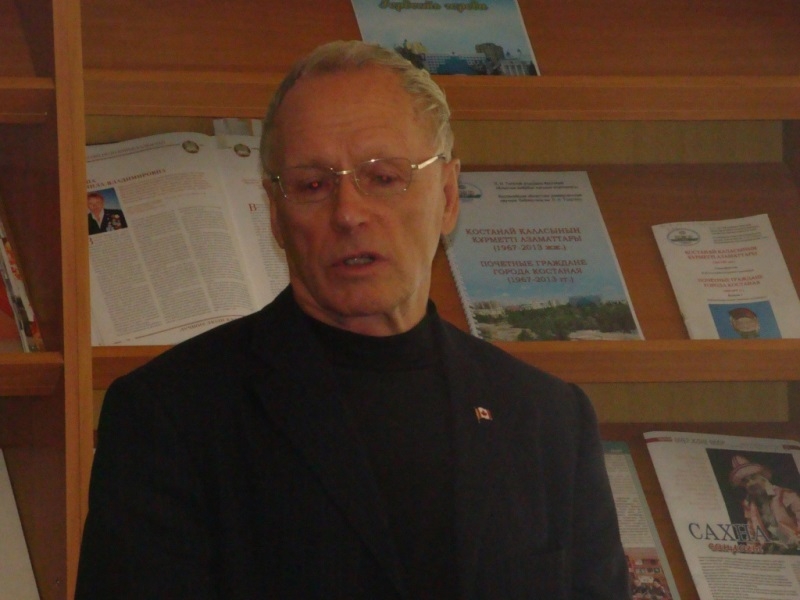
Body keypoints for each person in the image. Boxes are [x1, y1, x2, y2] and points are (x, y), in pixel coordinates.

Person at [76, 40, 629, 599]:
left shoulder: (550, 419)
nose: (347, 213)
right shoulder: (169, 416)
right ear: (275, 214)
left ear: (448, 195)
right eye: (313, 185)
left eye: (383, 176)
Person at [729, 454, 800, 553]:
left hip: (794, 545)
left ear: (762, 477)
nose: (750, 483)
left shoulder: (783, 494)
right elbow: (751, 529)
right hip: (772, 548)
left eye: (753, 477)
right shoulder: (749, 503)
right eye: (746, 481)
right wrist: (752, 548)